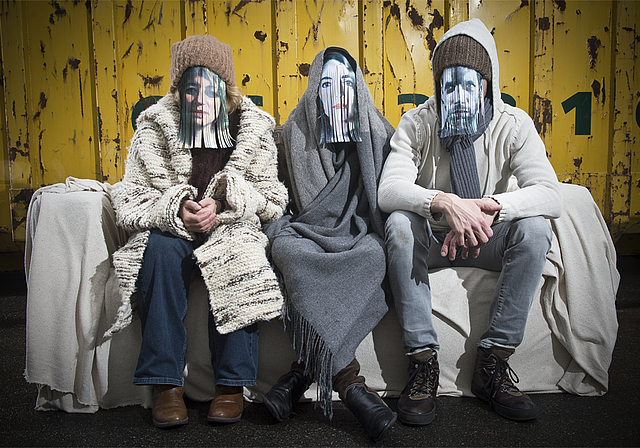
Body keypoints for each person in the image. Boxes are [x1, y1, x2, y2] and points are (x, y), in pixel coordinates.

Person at [378, 18, 562, 425]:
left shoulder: (513, 124)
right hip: (435, 238)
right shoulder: (419, 122)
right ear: (437, 87)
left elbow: (550, 194)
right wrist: (441, 201)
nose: (458, 96)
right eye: (448, 84)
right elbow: (388, 190)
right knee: (398, 226)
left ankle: (492, 364)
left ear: (487, 84)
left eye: (469, 84)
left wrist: (489, 205)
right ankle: (422, 362)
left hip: (487, 234)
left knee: (535, 229)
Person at [108, 35, 288, 428]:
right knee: (157, 250)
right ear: (178, 92)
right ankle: (165, 385)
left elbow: (273, 197)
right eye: (191, 90)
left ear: (226, 91)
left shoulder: (253, 128)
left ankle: (231, 384)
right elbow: (130, 197)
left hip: (228, 225)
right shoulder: (154, 129)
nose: (200, 99)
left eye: (211, 89)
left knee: (242, 251)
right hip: (176, 230)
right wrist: (174, 207)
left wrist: (226, 202)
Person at [262, 47, 397, 442]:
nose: (337, 92)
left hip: (357, 236)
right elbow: (276, 200)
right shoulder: (293, 132)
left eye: (346, 83)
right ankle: (349, 384)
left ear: (358, 90)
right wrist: (279, 228)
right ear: (314, 93)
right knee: (290, 255)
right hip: (305, 232)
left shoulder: (378, 132)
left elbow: (381, 206)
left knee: (376, 255)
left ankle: (301, 372)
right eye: (326, 83)